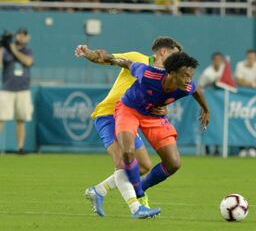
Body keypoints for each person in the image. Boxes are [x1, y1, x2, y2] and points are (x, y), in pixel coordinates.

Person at [74, 37, 182, 218]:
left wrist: (163, 107)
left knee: (144, 166)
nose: (178, 60)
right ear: (163, 52)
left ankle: (99, 190)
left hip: (128, 118)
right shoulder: (137, 58)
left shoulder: (163, 79)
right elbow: (106, 58)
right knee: (122, 164)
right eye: (175, 54)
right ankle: (136, 208)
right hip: (108, 115)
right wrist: (89, 54)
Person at [110, 52, 210, 214]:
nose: (188, 80)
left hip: (153, 116)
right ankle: (139, 197)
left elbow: (196, 90)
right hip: (129, 110)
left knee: (174, 163)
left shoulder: (186, 86)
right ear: (171, 73)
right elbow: (128, 63)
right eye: (185, 76)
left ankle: (140, 186)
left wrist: (205, 109)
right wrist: (108, 59)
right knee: (128, 152)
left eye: (190, 76)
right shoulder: (149, 74)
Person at [0, 28, 34, 154]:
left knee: (21, 119)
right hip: (7, 89)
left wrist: (13, 50)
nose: (21, 37)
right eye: (20, 35)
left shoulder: (27, 50)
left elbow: (28, 62)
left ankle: (20, 148)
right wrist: (2, 47)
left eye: (24, 35)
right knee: (1, 118)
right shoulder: (5, 51)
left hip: (23, 89)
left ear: (27, 38)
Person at [234, 49, 256, 158]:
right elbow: (239, 81)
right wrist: (253, 84)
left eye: (253, 58)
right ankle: (242, 147)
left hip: (255, 100)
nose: (251, 60)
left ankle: (253, 147)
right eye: (249, 57)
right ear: (246, 57)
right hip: (241, 99)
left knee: (254, 122)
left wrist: (250, 85)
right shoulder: (240, 65)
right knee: (241, 122)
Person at [198, 52, 224, 156]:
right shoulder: (207, 73)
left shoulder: (224, 71)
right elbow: (200, 87)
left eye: (219, 59)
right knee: (206, 123)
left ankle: (218, 148)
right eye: (216, 59)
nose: (217, 62)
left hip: (220, 104)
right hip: (208, 103)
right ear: (213, 61)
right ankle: (207, 147)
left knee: (219, 124)